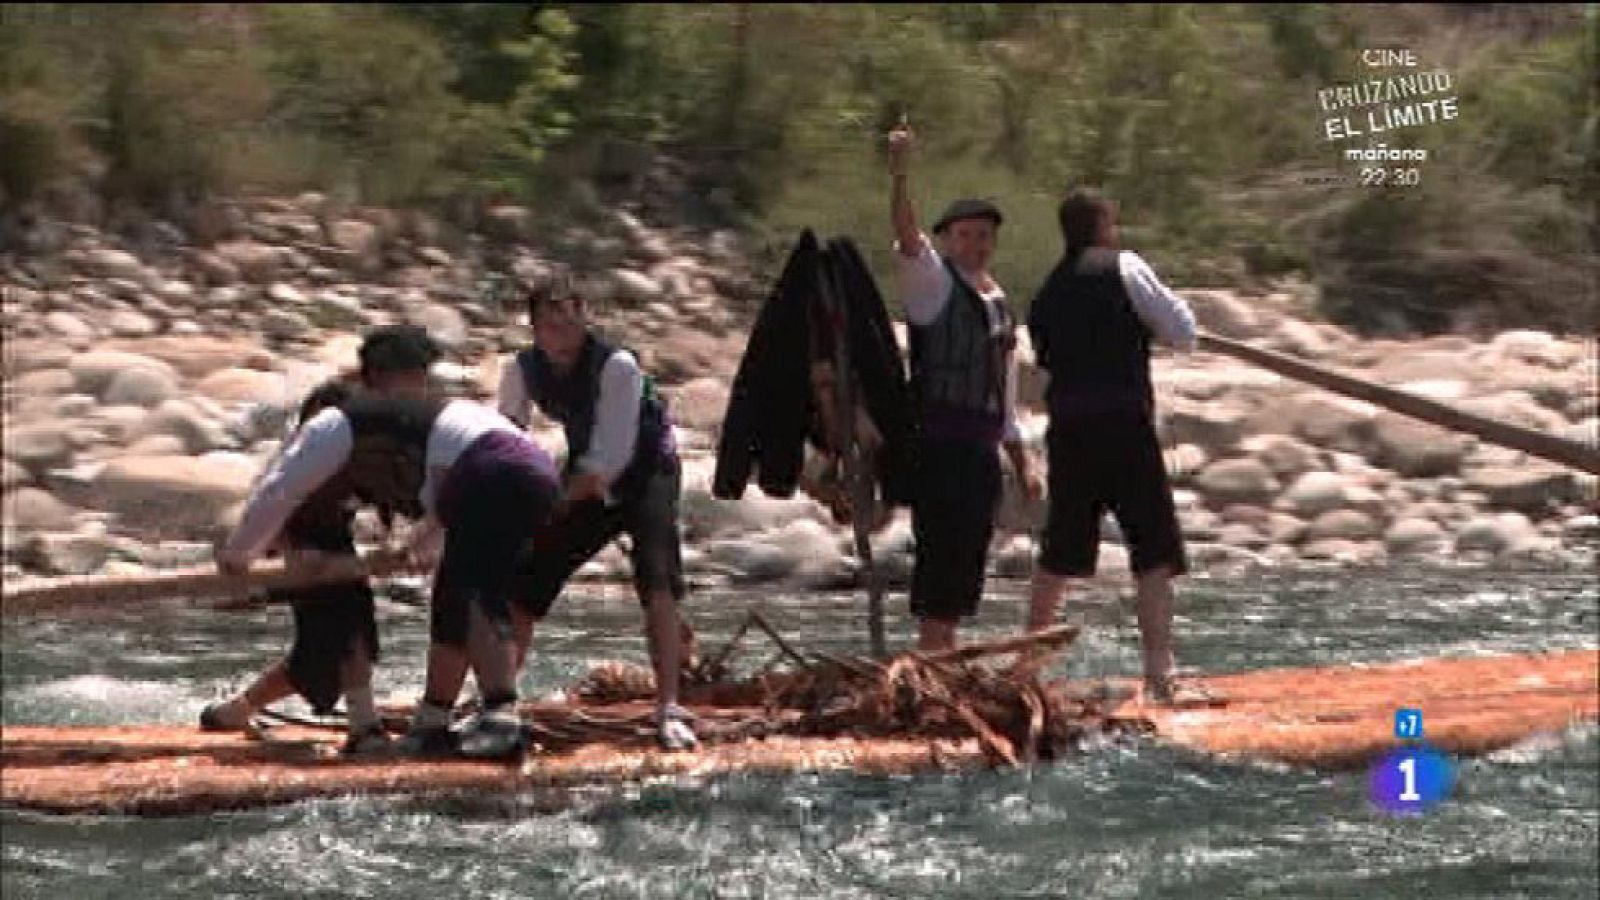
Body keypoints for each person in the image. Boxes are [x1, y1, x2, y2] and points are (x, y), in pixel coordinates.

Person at [215, 325, 563, 758]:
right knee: (456, 597)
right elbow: (445, 493)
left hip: (492, 471)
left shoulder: (340, 422)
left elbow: (281, 488)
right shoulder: (431, 416)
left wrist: (238, 553)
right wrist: (420, 545)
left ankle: (499, 713)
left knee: (474, 596)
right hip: (539, 473)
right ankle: (432, 722)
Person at [496, 271, 698, 751]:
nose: (561, 337)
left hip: (647, 470)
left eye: (570, 324)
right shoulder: (522, 369)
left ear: (585, 320)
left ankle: (669, 705)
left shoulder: (617, 365)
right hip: (587, 465)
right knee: (526, 579)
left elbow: (608, 462)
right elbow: (505, 440)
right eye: (550, 326)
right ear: (534, 329)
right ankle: (497, 701)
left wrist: (553, 501)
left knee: (656, 580)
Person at [1024, 188, 1201, 705]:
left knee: (1060, 550)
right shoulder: (1125, 266)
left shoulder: (1047, 293)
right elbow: (1182, 332)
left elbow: (1049, 355)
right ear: (1104, 225)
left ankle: (1025, 671)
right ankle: (1160, 678)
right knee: (1153, 548)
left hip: (1070, 430)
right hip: (1123, 425)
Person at [887, 122, 1042, 653]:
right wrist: (901, 173)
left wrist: (1022, 460)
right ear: (949, 240)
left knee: (969, 562)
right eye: (964, 235)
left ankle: (943, 659)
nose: (975, 244)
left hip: (980, 452)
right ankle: (934, 662)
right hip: (938, 448)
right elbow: (908, 237)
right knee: (941, 562)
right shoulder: (932, 286)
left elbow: (1005, 387)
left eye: (983, 235)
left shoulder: (998, 300)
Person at [200, 376, 388, 756]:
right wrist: (286, 555)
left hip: (337, 548)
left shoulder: (362, 452)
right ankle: (364, 727)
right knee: (338, 637)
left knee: (335, 646)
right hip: (302, 549)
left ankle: (236, 709)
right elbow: (271, 503)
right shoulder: (298, 455)